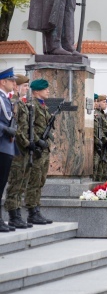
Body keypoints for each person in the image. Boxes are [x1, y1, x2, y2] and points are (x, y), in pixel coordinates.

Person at [4, 74, 33, 229]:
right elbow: (17, 129)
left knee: (22, 183)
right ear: (18, 87)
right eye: (25, 86)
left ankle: (17, 213)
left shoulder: (23, 104)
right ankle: (13, 214)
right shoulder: (15, 104)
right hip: (17, 149)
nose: (27, 88)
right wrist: (27, 143)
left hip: (24, 149)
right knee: (15, 182)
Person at [25, 79, 54, 225]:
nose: (48, 91)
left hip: (44, 149)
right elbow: (28, 127)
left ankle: (37, 209)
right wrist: (37, 140)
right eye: (45, 89)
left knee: (41, 180)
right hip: (37, 149)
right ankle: (32, 212)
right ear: (36, 91)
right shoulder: (32, 106)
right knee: (34, 181)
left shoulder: (43, 106)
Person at [0, 68, 18, 232]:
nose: (14, 83)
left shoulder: (6, 99)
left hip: (7, 147)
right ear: (3, 82)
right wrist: (5, 130)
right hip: (1, 146)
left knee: (2, 183)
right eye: (11, 80)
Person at [93, 94, 107, 182]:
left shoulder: (104, 115)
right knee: (95, 169)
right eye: (103, 102)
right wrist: (105, 141)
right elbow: (97, 129)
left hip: (103, 144)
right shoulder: (96, 114)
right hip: (98, 144)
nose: (105, 104)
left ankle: (101, 189)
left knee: (103, 170)